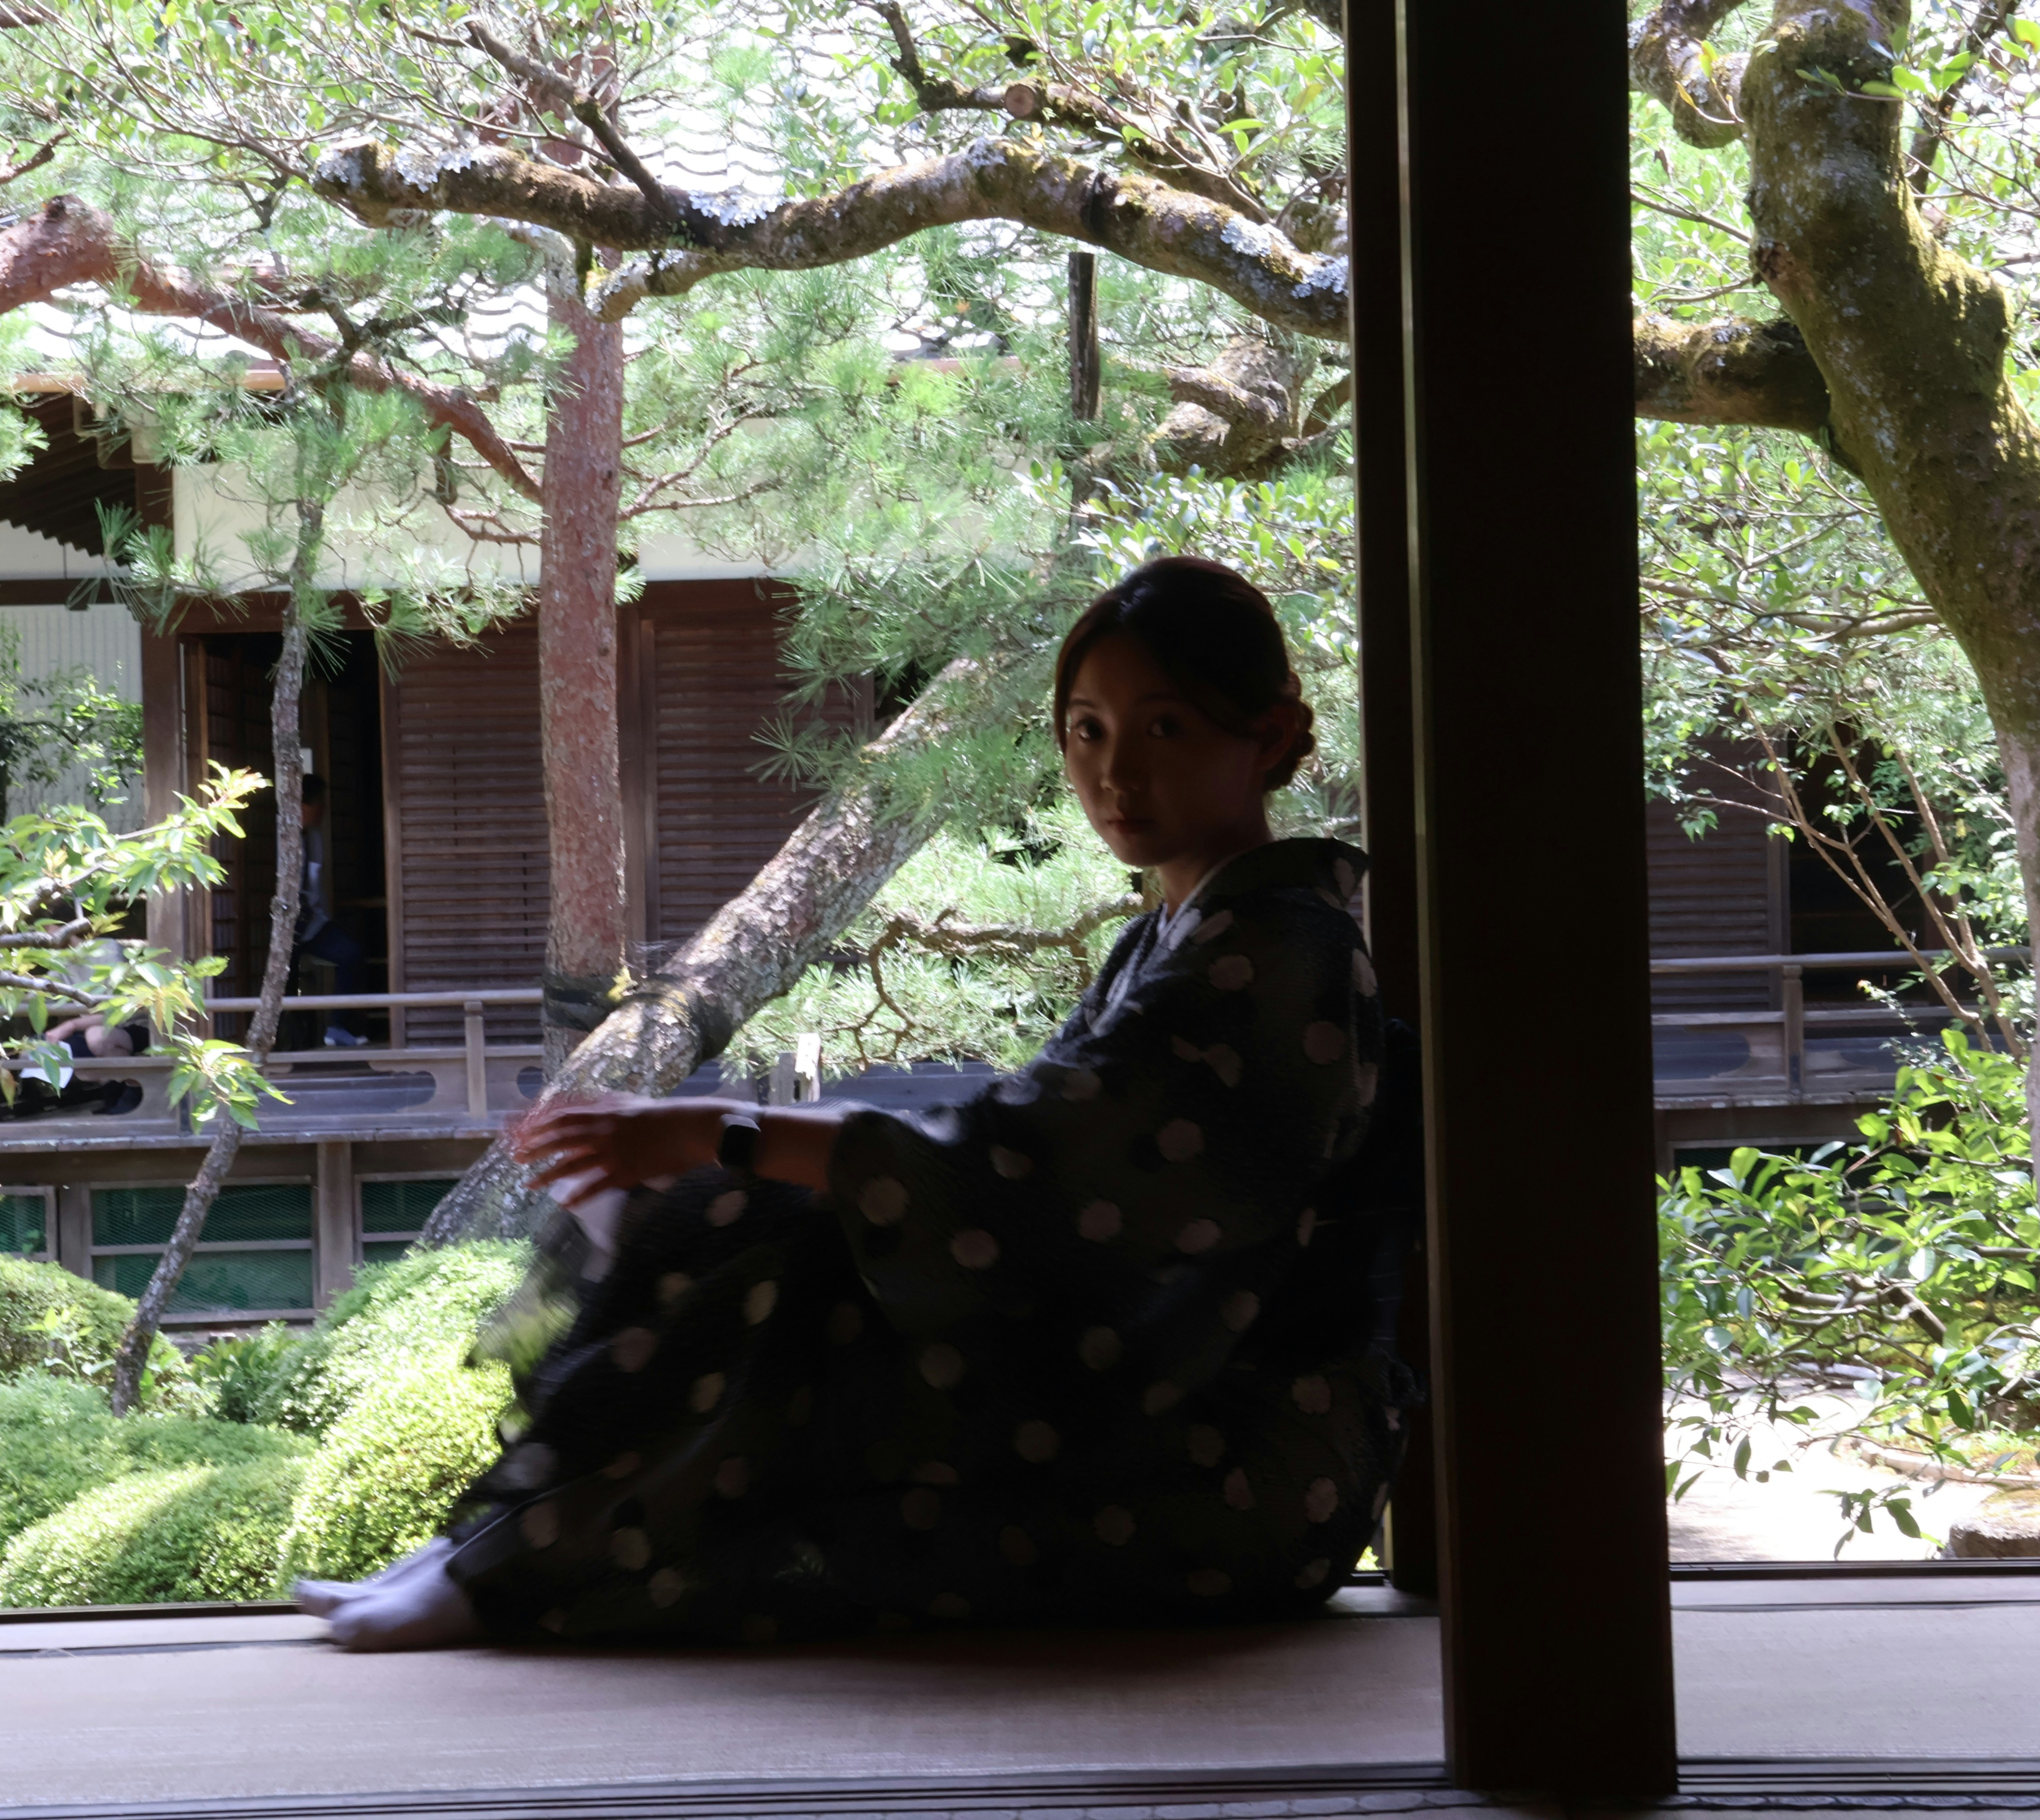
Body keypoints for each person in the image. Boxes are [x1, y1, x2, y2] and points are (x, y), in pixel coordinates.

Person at [297, 556, 1419, 1650]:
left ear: (1267, 737)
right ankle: (508, 1545)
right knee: (767, 1227)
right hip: (1146, 1394)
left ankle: (519, 1561)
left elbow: (1030, 1164)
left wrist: (708, 1130)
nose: (1116, 770)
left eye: (1164, 727)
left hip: (1229, 1452)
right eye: (1088, 729)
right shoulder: (1189, 933)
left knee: (789, 1275)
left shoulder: (1275, 956)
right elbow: (1022, 1146)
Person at [293, 775, 371, 1048]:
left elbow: (313, 888)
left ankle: (338, 1026)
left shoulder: (314, 838)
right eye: (320, 804)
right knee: (285, 979)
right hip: (286, 925)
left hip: (313, 924)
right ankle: (288, 1040)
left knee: (351, 954)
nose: (324, 810)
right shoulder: (285, 837)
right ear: (305, 806)